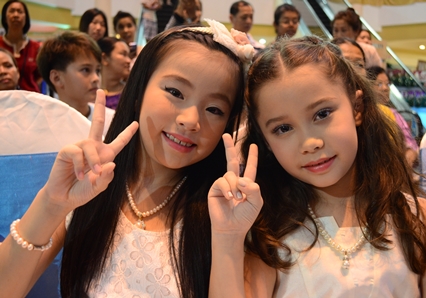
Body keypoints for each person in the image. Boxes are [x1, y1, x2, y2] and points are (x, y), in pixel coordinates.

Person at [0, 20, 261, 297]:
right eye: (175, 92)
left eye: (214, 109)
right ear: (138, 91)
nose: (190, 120)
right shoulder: (90, 189)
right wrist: (52, 202)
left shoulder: (229, 212)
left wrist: (229, 239)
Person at [214, 36, 426, 297]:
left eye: (322, 114)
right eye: (283, 128)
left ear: (357, 108)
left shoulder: (423, 221)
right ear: (266, 141)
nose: (310, 142)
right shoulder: (267, 232)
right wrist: (227, 238)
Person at [36, 31, 115, 137]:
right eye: (86, 70)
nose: (96, 78)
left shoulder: (112, 121)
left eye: (98, 70)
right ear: (57, 78)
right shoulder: (42, 128)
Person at [367, 66, 419, 167]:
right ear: (368, 86)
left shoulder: (394, 114)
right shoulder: (364, 114)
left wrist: (410, 153)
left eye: (387, 84)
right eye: (379, 84)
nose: (385, 88)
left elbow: (411, 147)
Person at [0, 0, 41, 92]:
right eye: (12, 11)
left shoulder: (36, 47)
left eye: (20, 11)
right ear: (5, 18)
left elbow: (40, 75)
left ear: (26, 18)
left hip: (30, 97)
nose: (15, 15)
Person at [97, 37, 131, 110]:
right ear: (105, 58)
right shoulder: (89, 93)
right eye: (123, 54)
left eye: (129, 55)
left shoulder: (131, 93)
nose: (129, 60)